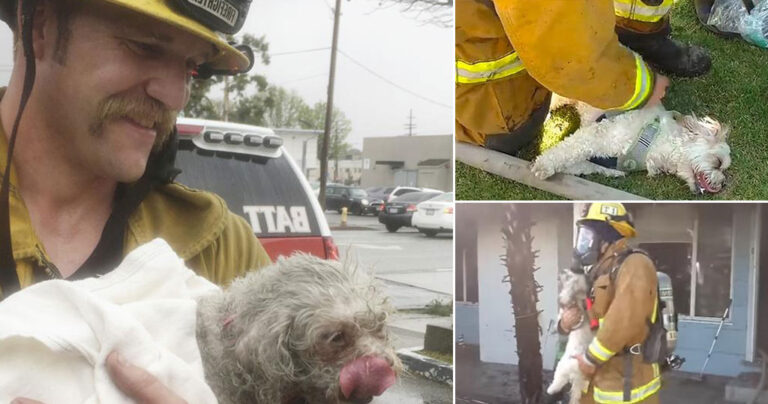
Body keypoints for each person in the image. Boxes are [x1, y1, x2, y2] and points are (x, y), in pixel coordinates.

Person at [0, 0, 271, 400]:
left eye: (190, 67)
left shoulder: (220, 249)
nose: (175, 96)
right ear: (40, 26)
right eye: (145, 46)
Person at [456, 0, 708, 155]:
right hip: (484, 87)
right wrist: (639, 88)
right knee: (512, 133)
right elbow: (564, 52)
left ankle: (638, 30)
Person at [558, 203, 661, 403]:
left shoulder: (635, 264)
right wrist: (565, 324)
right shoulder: (598, 271)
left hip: (627, 386)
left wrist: (590, 359)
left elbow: (624, 319)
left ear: (605, 237)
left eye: (589, 235)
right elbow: (588, 317)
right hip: (595, 382)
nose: (584, 243)